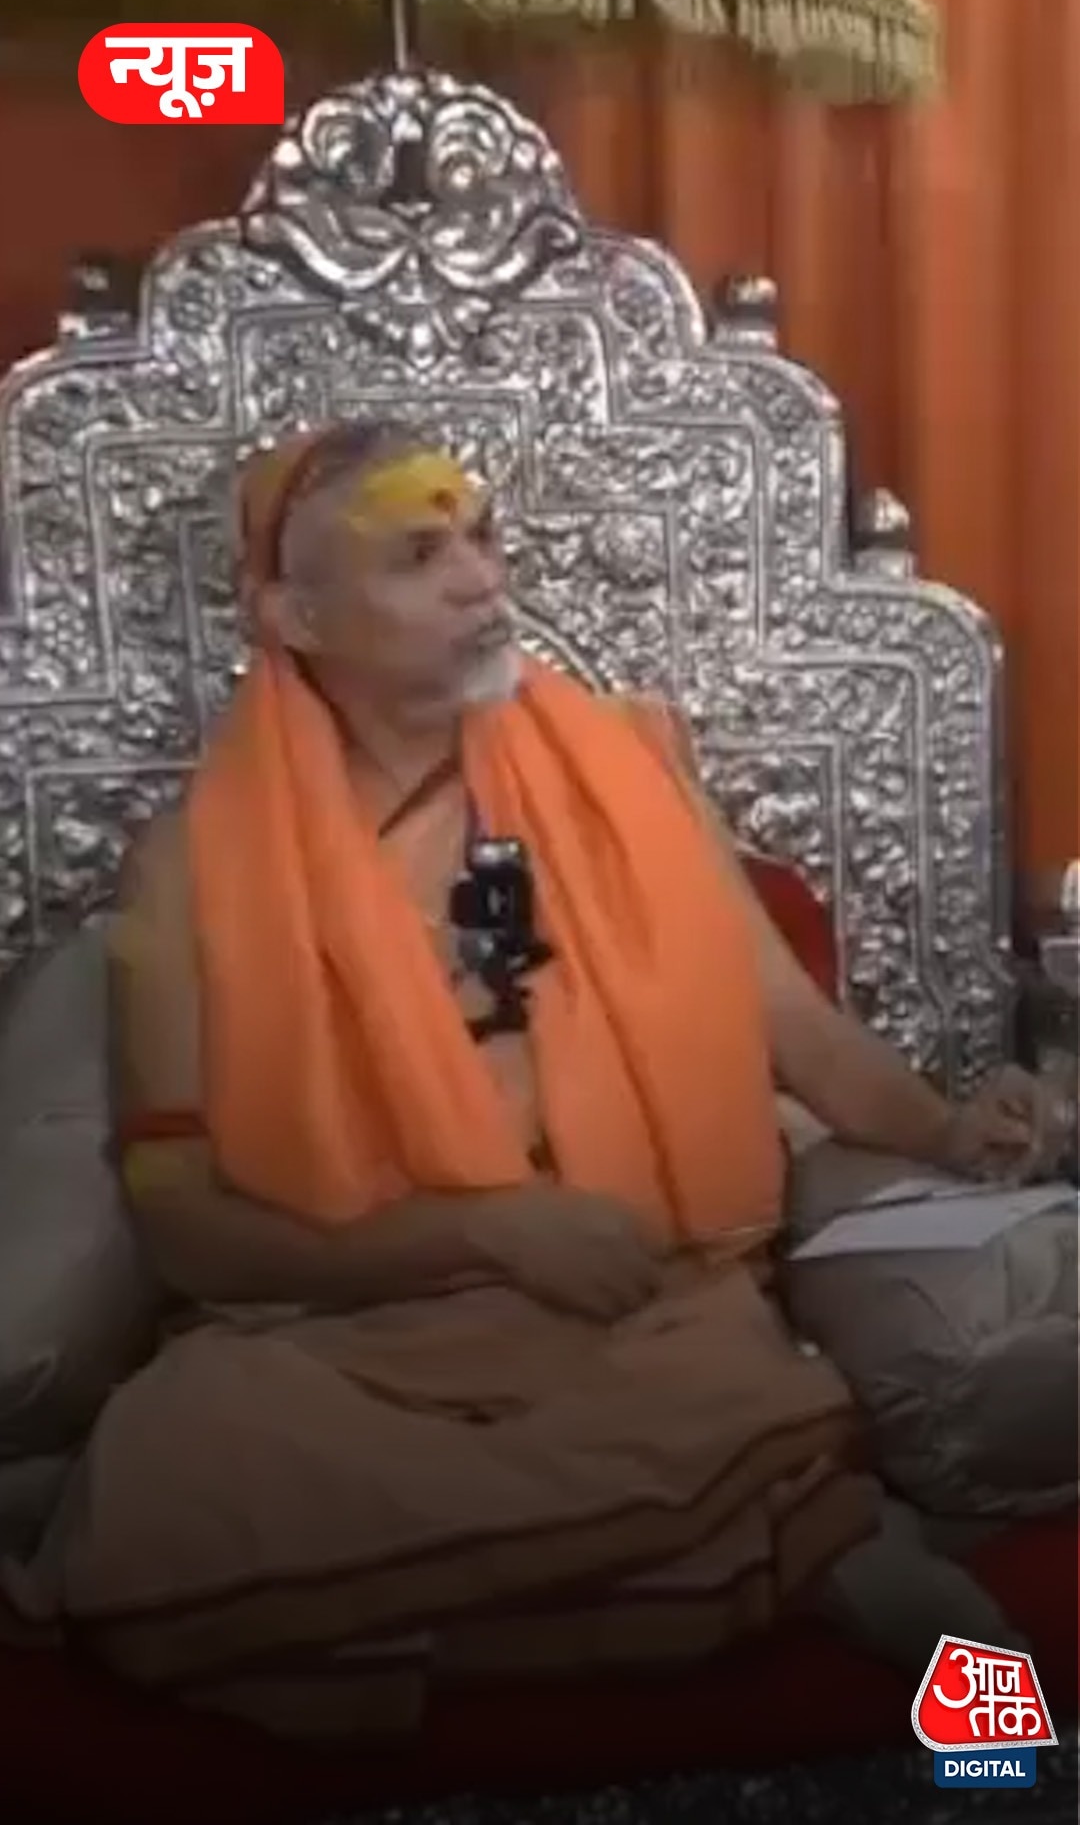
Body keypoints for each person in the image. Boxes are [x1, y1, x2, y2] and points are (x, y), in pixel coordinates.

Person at [1, 421, 1065, 1737]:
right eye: (419, 555)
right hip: (337, 1337)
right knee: (187, 1473)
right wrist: (484, 1232)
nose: (483, 579)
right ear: (295, 616)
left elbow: (794, 1029)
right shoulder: (189, 869)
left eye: (485, 539)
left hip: (636, 1307)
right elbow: (182, 1221)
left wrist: (951, 1130)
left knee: (735, 1434)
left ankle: (990, 1745)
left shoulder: (626, 775)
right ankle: (745, 1554)